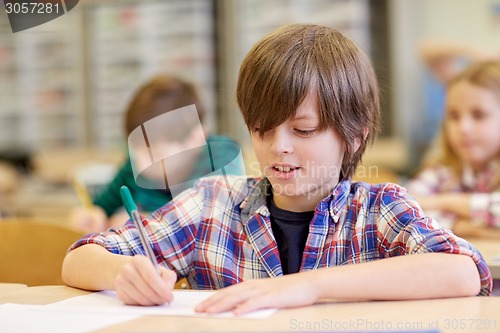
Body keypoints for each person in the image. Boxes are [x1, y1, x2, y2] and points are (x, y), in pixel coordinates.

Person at [62, 24, 491, 314]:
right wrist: (123, 274)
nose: (278, 147)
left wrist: (309, 286)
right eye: (262, 129)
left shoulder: (377, 210)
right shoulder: (211, 204)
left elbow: (464, 270)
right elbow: (79, 258)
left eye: (303, 130)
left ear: (355, 135)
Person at [69, 75, 241, 233]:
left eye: (156, 155)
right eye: (136, 151)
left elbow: (213, 220)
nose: (142, 165)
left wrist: (145, 222)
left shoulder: (221, 156)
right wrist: (92, 215)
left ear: (196, 138)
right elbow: (101, 206)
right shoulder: (134, 166)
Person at [407, 60, 500, 238]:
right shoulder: (441, 173)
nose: (463, 127)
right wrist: (463, 227)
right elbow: (405, 209)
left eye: (478, 115)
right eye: (454, 116)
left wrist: (445, 202)